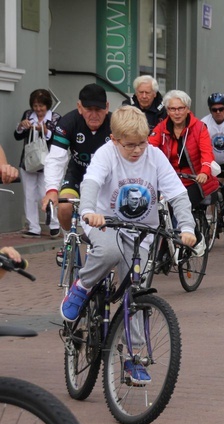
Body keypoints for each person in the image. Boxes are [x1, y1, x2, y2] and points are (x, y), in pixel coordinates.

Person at [60, 106, 198, 383]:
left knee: (136, 291)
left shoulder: (155, 156)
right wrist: (88, 210)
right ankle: (83, 285)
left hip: (140, 232)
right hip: (103, 223)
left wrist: (187, 227)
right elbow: (91, 183)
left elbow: (177, 194)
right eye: (130, 145)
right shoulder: (106, 154)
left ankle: (132, 357)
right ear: (114, 139)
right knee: (110, 251)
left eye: (142, 143)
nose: (137, 150)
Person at [41, 83, 113, 231]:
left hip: (107, 178)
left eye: (98, 109)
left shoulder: (115, 123)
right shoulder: (68, 123)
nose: (94, 115)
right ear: (79, 107)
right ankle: (69, 239)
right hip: (78, 173)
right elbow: (55, 159)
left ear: (107, 107)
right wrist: (52, 190)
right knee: (65, 207)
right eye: (88, 109)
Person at [149, 90, 219, 208]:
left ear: (187, 109)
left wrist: (204, 172)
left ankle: (189, 227)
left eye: (180, 108)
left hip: (195, 180)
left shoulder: (199, 127)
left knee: (181, 205)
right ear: (167, 111)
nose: (177, 113)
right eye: (172, 109)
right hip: (170, 179)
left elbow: (207, 153)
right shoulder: (161, 128)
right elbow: (149, 148)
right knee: (157, 206)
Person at [13, 89, 62, 238]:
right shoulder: (28, 115)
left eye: (41, 106)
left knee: (46, 193)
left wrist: (46, 131)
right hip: (29, 161)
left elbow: (57, 140)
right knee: (29, 194)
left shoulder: (55, 118)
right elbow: (17, 136)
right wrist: (21, 126)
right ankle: (33, 227)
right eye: (35, 106)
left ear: (47, 105)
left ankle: (54, 224)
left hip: (47, 162)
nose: (38, 109)